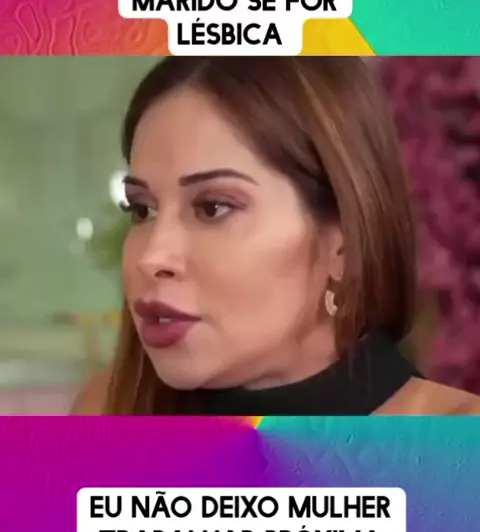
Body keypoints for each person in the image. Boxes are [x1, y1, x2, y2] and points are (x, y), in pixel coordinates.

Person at [72, 56, 480, 416]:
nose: (152, 257)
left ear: (344, 244)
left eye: (213, 207)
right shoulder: (105, 412)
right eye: (142, 209)